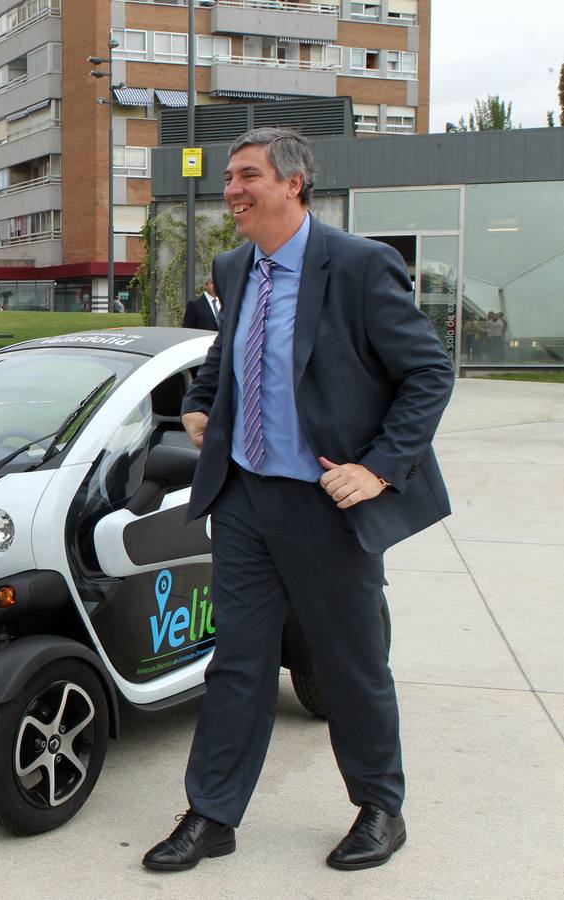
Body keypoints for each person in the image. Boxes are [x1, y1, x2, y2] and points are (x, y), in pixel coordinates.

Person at [143, 128, 453, 873]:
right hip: (245, 499)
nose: (231, 190)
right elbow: (226, 353)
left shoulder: (357, 265)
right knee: (236, 665)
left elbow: (427, 374)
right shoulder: (234, 266)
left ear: (292, 184)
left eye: (246, 175)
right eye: (228, 177)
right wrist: (201, 402)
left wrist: (376, 469)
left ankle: (380, 807)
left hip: (325, 504)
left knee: (349, 664)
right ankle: (212, 814)